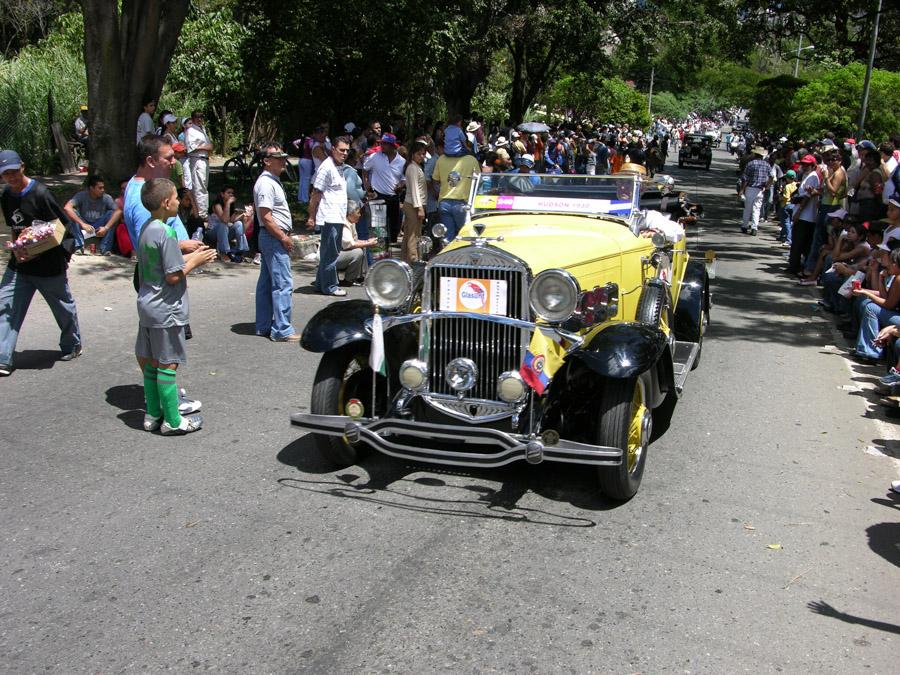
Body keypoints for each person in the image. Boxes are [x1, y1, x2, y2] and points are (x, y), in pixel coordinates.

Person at [134, 178, 216, 435]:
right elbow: (172, 275)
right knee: (168, 364)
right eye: (176, 198)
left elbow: (163, 263)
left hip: (147, 305)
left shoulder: (149, 227)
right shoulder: (167, 232)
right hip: (166, 308)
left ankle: (153, 414)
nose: (180, 201)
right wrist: (196, 263)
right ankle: (172, 420)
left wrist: (193, 255)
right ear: (166, 202)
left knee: (151, 363)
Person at [0, 149, 83, 376]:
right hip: (20, 264)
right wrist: (17, 249)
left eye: (14, 171)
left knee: (62, 307)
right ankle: (3, 357)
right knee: (5, 305)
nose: (12, 177)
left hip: (48, 265)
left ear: (23, 167)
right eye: (6, 174)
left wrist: (36, 249)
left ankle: (72, 344)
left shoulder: (41, 193)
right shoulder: (7, 195)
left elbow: (60, 228)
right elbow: (14, 229)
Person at [253, 143, 298, 342]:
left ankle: (264, 325)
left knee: (267, 282)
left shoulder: (271, 181)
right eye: (278, 158)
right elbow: (266, 216)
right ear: (266, 160)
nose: (283, 161)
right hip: (272, 237)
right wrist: (283, 237)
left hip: (271, 236)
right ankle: (282, 329)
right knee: (282, 283)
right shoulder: (265, 184)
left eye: (283, 157)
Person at [308, 137, 350, 297]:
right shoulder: (326, 167)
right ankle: (330, 286)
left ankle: (321, 284)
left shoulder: (340, 167)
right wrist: (311, 216)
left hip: (338, 216)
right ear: (333, 149)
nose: (345, 153)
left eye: (347, 150)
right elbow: (316, 193)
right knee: (331, 254)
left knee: (328, 252)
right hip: (329, 217)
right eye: (341, 150)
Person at [432, 145, 481, 242]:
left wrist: (441, 192)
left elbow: (435, 180)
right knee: (465, 237)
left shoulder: (441, 159)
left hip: (444, 203)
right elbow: (478, 181)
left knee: (447, 240)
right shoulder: (471, 160)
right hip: (463, 204)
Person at [64, 175, 122, 255]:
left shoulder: (106, 197)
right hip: (84, 226)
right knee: (73, 212)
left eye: (103, 188)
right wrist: (82, 224)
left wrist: (106, 228)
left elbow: (118, 211)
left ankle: (105, 248)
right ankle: (79, 246)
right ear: (92, 188)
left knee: (112, 214)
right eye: (100, 188)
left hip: (99, 227)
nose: (102, 190)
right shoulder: (81, 195)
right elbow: (67, 208)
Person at [363, 133, 405, 243]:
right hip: (378, 196)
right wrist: (368, 188)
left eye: (385, 144)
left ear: (392, 146)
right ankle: (379, 256)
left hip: (394, 198)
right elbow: (365, 170)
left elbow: (404, 178)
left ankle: (388, 256)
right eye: (382, 143)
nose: (382, 146)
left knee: (394, 230)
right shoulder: (375, 156)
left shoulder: (402, 161)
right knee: (379, 228)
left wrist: (401, 185)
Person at [787, 154, 821, 275]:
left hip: (805, 216)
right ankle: (797, 266)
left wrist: (799, 212)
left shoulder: (812, 176)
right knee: (800, 242)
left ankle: (795, 267)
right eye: (803, 164)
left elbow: (807, 197)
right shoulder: (808, 176)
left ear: (813, 165)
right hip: (803, 214)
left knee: (799, 243)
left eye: (807, 165)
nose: (804, 166)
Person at [337, 201, 378, 284]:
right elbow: (350, 244)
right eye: (358, 213)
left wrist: (367, 241)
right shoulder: (344, 224)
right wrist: (368, 243)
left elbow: (354, 241)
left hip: (339, 254)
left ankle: (357, 276)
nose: (359, 215)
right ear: (350, 214)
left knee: (361, 248)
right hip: (335, 257)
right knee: (358, 252)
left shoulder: (351, 222)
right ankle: (348, 280)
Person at [207, 186, 250, 262]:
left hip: (224, 233)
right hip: (212, 233)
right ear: (222, 194)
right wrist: (228, 203)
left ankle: (241, 250)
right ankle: (225, 252)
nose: (231, 195)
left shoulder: (229, 206)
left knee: (239, 224)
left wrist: (243, 215)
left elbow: (232, 220)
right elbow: (224, 220)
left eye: (232, 193)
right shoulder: (217, 205)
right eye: (228, 193)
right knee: (223, 225)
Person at [402, 139, 428, 263]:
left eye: (423, 154)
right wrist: (420, 208)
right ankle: (413, 260)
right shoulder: (412, 167)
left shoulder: (416, 167)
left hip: (414, 204)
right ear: (412, 154)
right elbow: (414, 189)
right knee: (413, 235)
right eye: (419, 154)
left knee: (409, 234)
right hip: (413, 205)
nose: (421, 156)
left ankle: (405, 260)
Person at [184, 110, 213, 219]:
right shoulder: (190, 131)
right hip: (197, 159)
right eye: (197, 117)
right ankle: (201, 213)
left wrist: (208, 147)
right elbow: (190, 148)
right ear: (192, 118)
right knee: (199, 187)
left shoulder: (202, 129)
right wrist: (206, 147)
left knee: (203, 186)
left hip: (204, 159)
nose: (200, 119)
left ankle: (203, 211)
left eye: (201, 117)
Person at [738, 146, 770, 235]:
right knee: (757, 209)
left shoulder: (751, 164)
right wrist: (767, 186)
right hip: (760, 189)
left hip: (750, 188)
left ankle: (744, 226)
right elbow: (771, 176)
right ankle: (754, 228)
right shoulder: (767, 165)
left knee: (747, 208)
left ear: (755, 154)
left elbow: (745, 178)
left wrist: (741, 190)